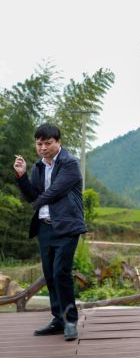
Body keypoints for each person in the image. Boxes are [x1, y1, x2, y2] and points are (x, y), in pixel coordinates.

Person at [13, 123, 87, 340]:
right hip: (45, 228)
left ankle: (70, 321)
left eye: (48, 143)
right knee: (50, 276)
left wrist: (36, 201)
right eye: (39, 143)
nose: (43, 147)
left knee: (60, 273)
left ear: (58, 142)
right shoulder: (38, 167)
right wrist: (22, 176)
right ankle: (58, 319)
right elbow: (31, 196)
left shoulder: (69, 163)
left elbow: (53, 192)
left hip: (66, 227)